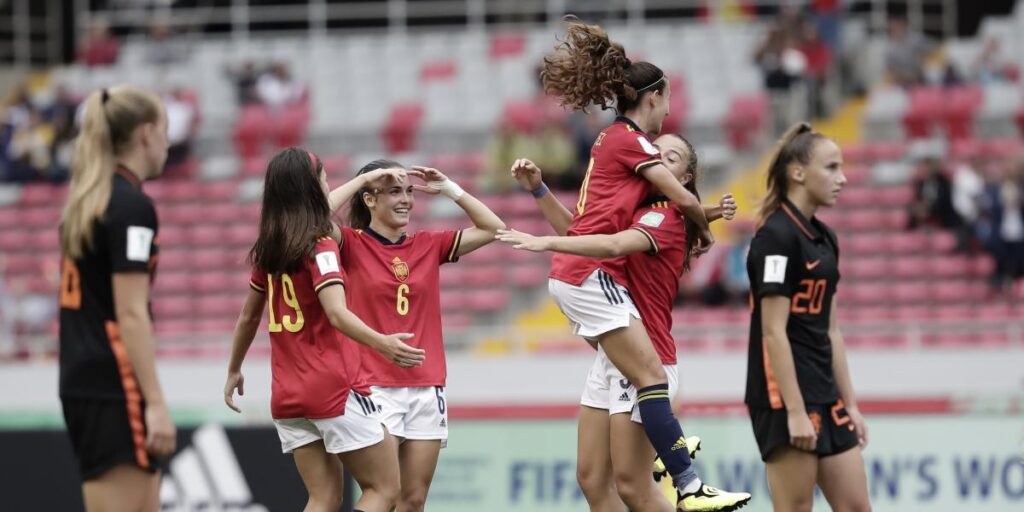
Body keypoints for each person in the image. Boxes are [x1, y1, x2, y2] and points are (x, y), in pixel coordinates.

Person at [539, 17, 748, 510]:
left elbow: (600, 236)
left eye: (670, 157)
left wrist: (541, 235)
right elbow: (597, 233)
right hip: (605, 309)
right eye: (668, 102)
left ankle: (676, 459)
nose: (659, 148)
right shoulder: (639, 172)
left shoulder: (650, 203)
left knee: (615, 483)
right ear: (653, 97)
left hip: (620, 323)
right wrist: (707, 211)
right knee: (608, 471)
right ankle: (680, 463)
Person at [499, 133, 749, 512]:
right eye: (654, 152)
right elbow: (580, 235)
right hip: (615, 356)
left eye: (672, 157)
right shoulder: (635, 208)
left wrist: (544, 243)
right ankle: (672, 450)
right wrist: (539, 191)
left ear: (684, 178)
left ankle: (685, 476)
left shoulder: (664, 214)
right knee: (593, 481)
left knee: (633, 488)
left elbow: (611, 247)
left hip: (646, 357)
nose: (657, 159)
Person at [223, 148, 426, 512]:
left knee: (324, 498)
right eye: (324, 178)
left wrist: (234, 368)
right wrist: (383, 344)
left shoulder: (269, 248)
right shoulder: (320, 245)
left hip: (287, 394)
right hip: (332, 388)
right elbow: (336, 313)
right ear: (312, 187)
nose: (330, 185)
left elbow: (248, 317)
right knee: (384, 491)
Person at [326, 159, 506, 512]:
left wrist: (451, 189)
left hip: (426, 386)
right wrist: (362, 179)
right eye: (394, 191)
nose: (406, 199)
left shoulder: (428, 244)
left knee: (412, 501)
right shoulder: (351, 243)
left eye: (409, 191)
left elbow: (493, 228)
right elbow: (312, 219)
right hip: (373, 386)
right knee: (383, 494)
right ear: (369, 200)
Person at [58, 86, 175, 511]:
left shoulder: (94, 198)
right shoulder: (130, 207)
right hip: (113, 381)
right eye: (165, 130)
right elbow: (130, 312)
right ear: (146, 134)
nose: (168, 141)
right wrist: (156, 404)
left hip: (90, 377)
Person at [745, 123, 871, 512]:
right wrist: (796, 412)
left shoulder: (826, 238)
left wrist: (849, 403)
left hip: (825, 394)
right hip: (784, 397)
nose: (842, 178)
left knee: (856, 507)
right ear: (798, 173)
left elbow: (831, 329)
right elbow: (773, 332)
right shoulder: (776, 238)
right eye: (831, 168)